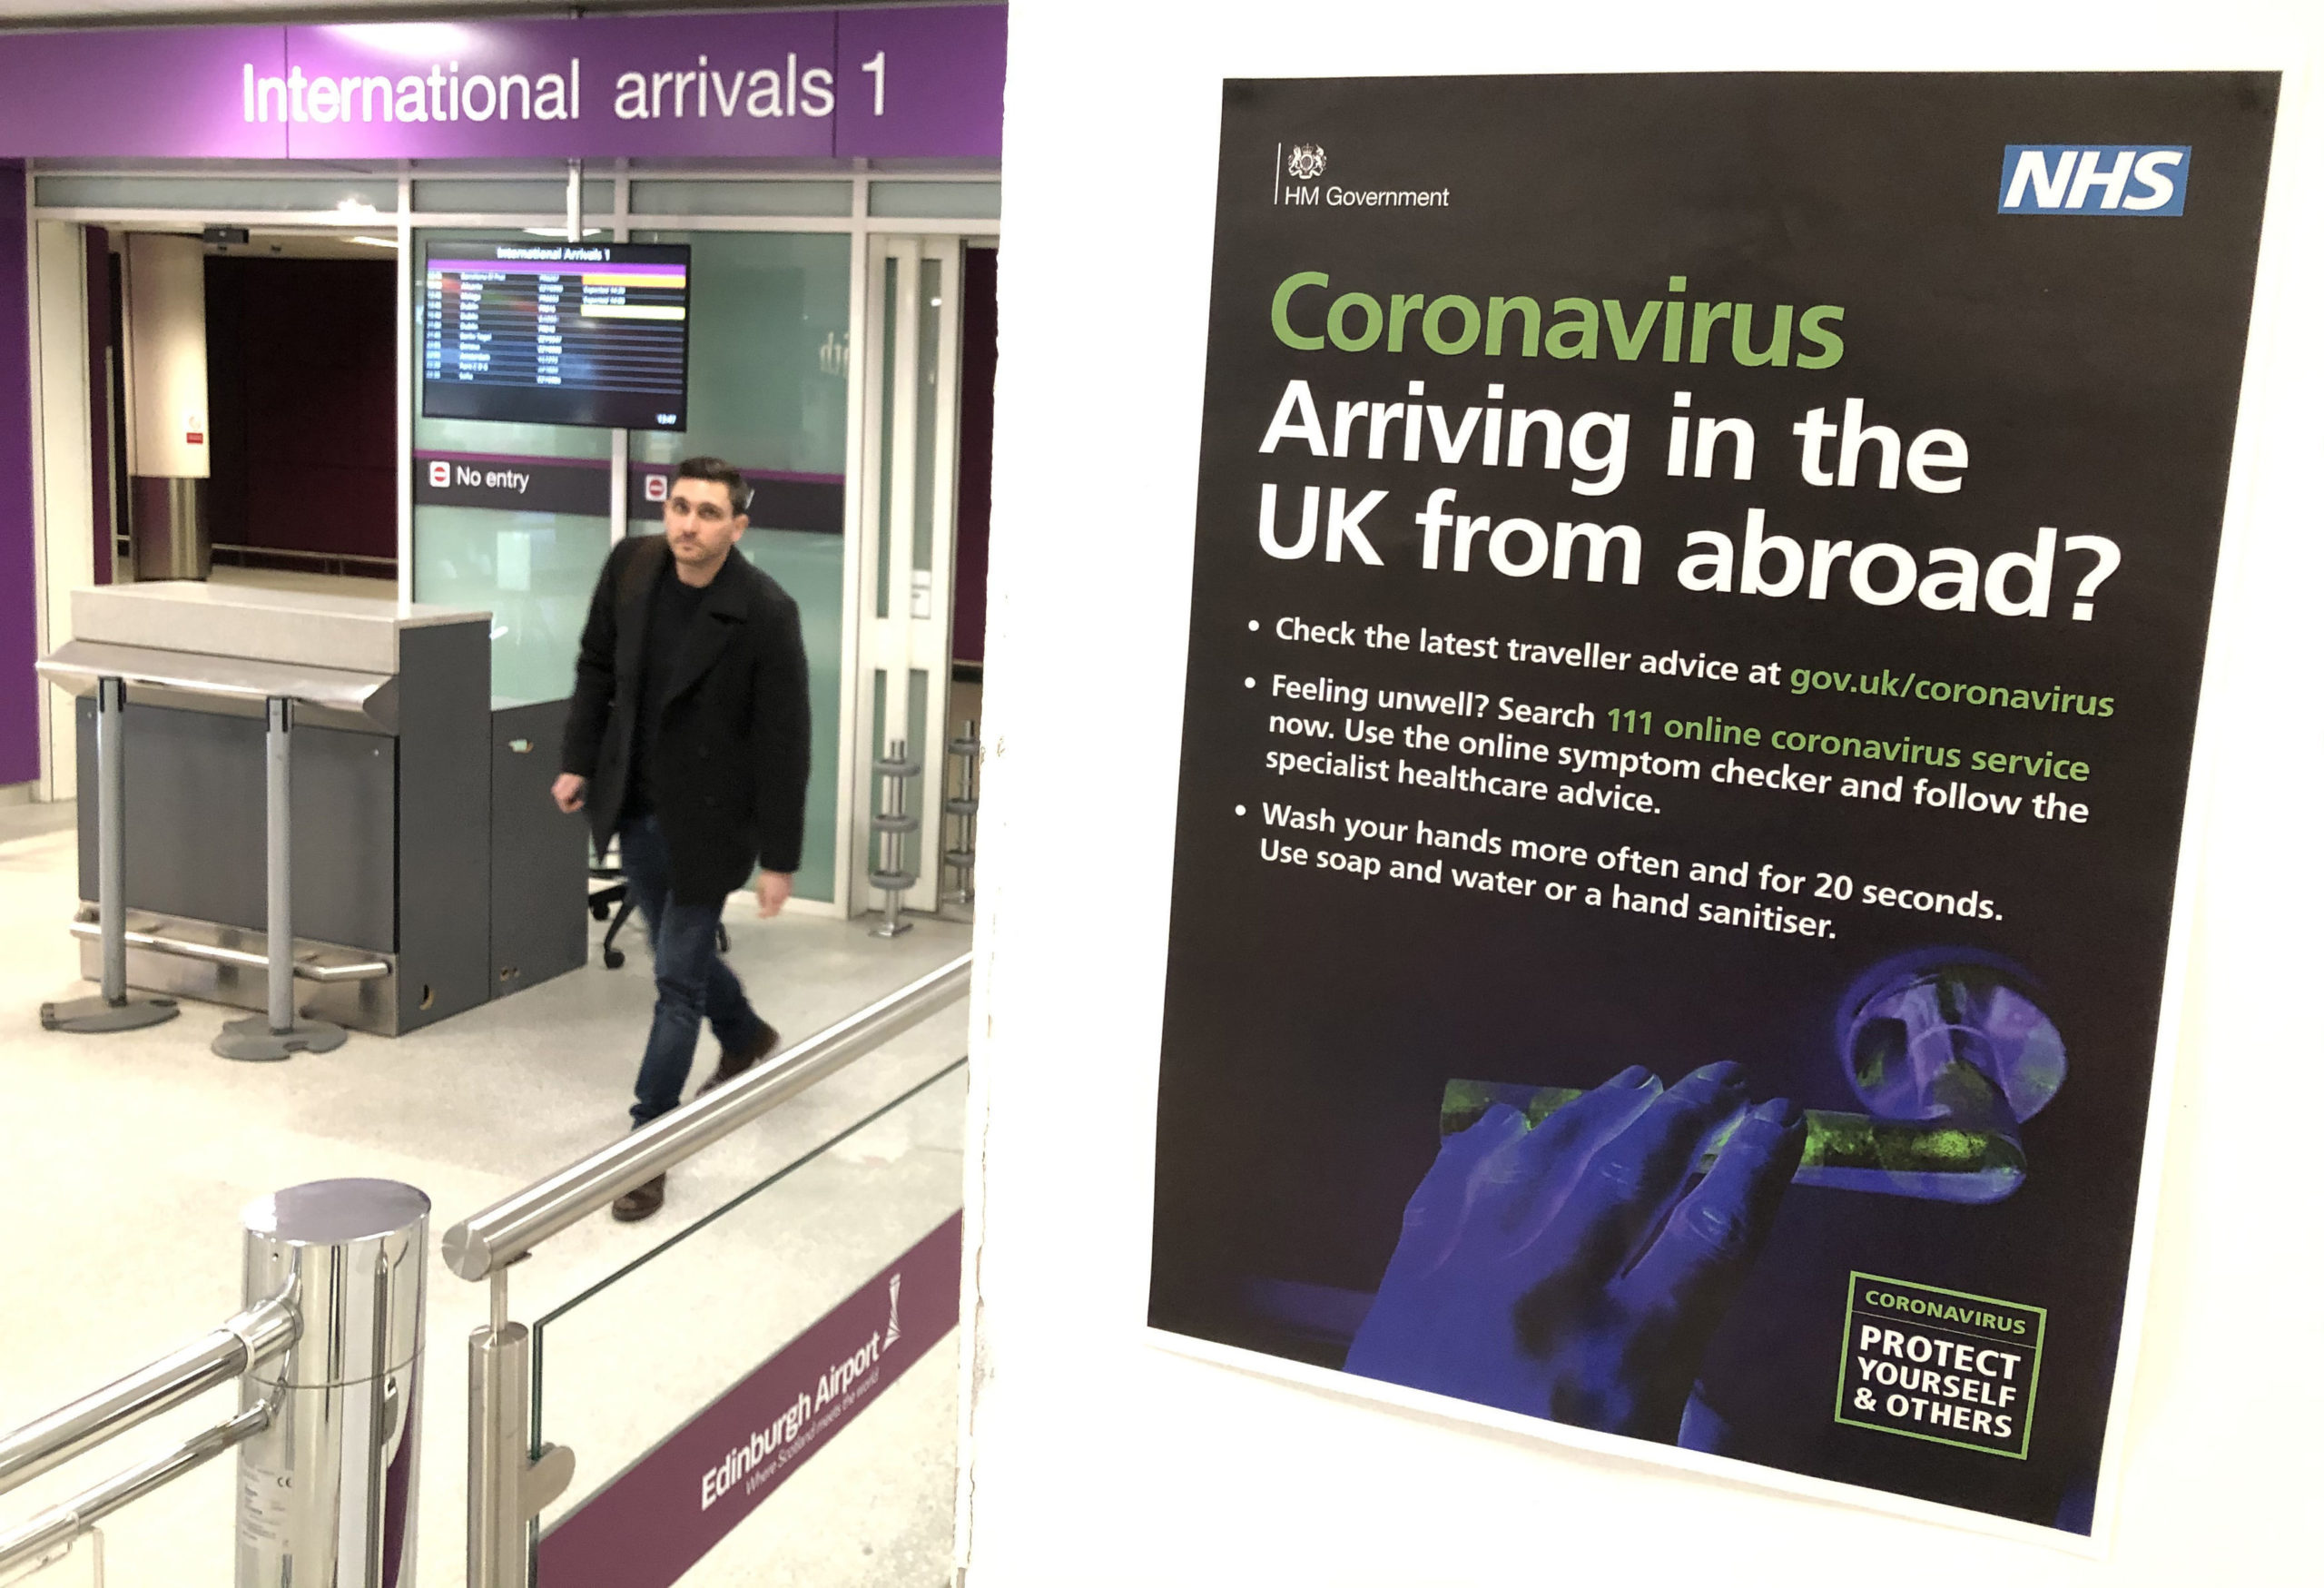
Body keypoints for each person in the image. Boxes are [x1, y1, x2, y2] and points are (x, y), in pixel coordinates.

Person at [553, 456, 812, 1222]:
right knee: (676, 951)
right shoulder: (632, 569)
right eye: (679, 507)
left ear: (738, 525)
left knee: (674, 983)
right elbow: (597, 667)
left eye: (707, 513)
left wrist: (780, 857)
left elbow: (783, 742)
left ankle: (649, 1143)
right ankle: (746, 1032)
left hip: (711, 822)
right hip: (635, 800)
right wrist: (577, 761)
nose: (687, 526)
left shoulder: (765, 612)